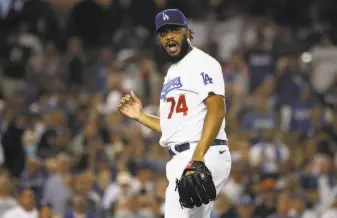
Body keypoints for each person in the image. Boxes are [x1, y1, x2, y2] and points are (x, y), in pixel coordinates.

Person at [118, 9, 231, 218]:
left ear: (188, 32)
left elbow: (217, 109)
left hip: (201, 154)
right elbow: (174, 127)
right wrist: (140, 116)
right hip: (185, 156)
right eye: (163, 33)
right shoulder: (172, 72)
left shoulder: (203, 62)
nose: (169, 35)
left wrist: (198, 157)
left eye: (174, 30)